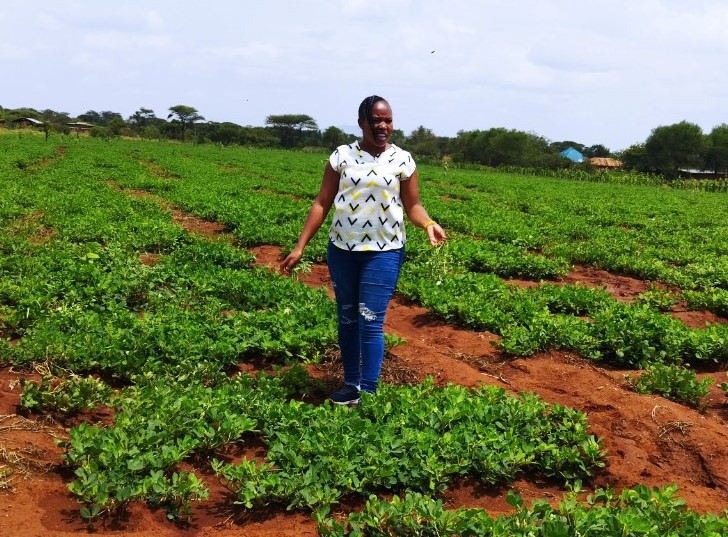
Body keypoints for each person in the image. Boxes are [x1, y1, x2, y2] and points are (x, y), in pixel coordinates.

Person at [279, 95, 446, 405]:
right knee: (347, 318)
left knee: (370, 320)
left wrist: (428, 224)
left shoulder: (403, 160)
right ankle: (351, 384)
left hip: (384, 252)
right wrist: (300, 246)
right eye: (376, 120)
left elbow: (414, 205)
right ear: (362, 123)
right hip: (342, 250)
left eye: (388, 120)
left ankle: (367, 391)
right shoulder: (342, 156)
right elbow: (322, 202)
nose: (383, 126)